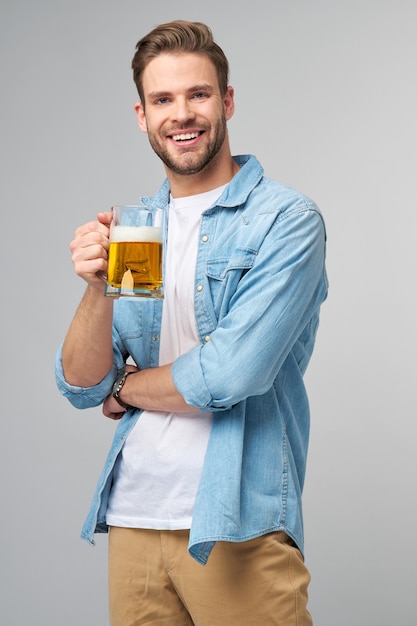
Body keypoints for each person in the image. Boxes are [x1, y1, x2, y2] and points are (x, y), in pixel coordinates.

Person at [55, 19, 328, 626]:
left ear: (226, 101)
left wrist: (128, 387)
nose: (182, 114)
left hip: (234, 524)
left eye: (198, 95)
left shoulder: (284, 221)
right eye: (163, 99)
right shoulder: (140, 230)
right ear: (142, 114)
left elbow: (228, 375)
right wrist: (98, 290)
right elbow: (81, 385)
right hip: (133, 517)